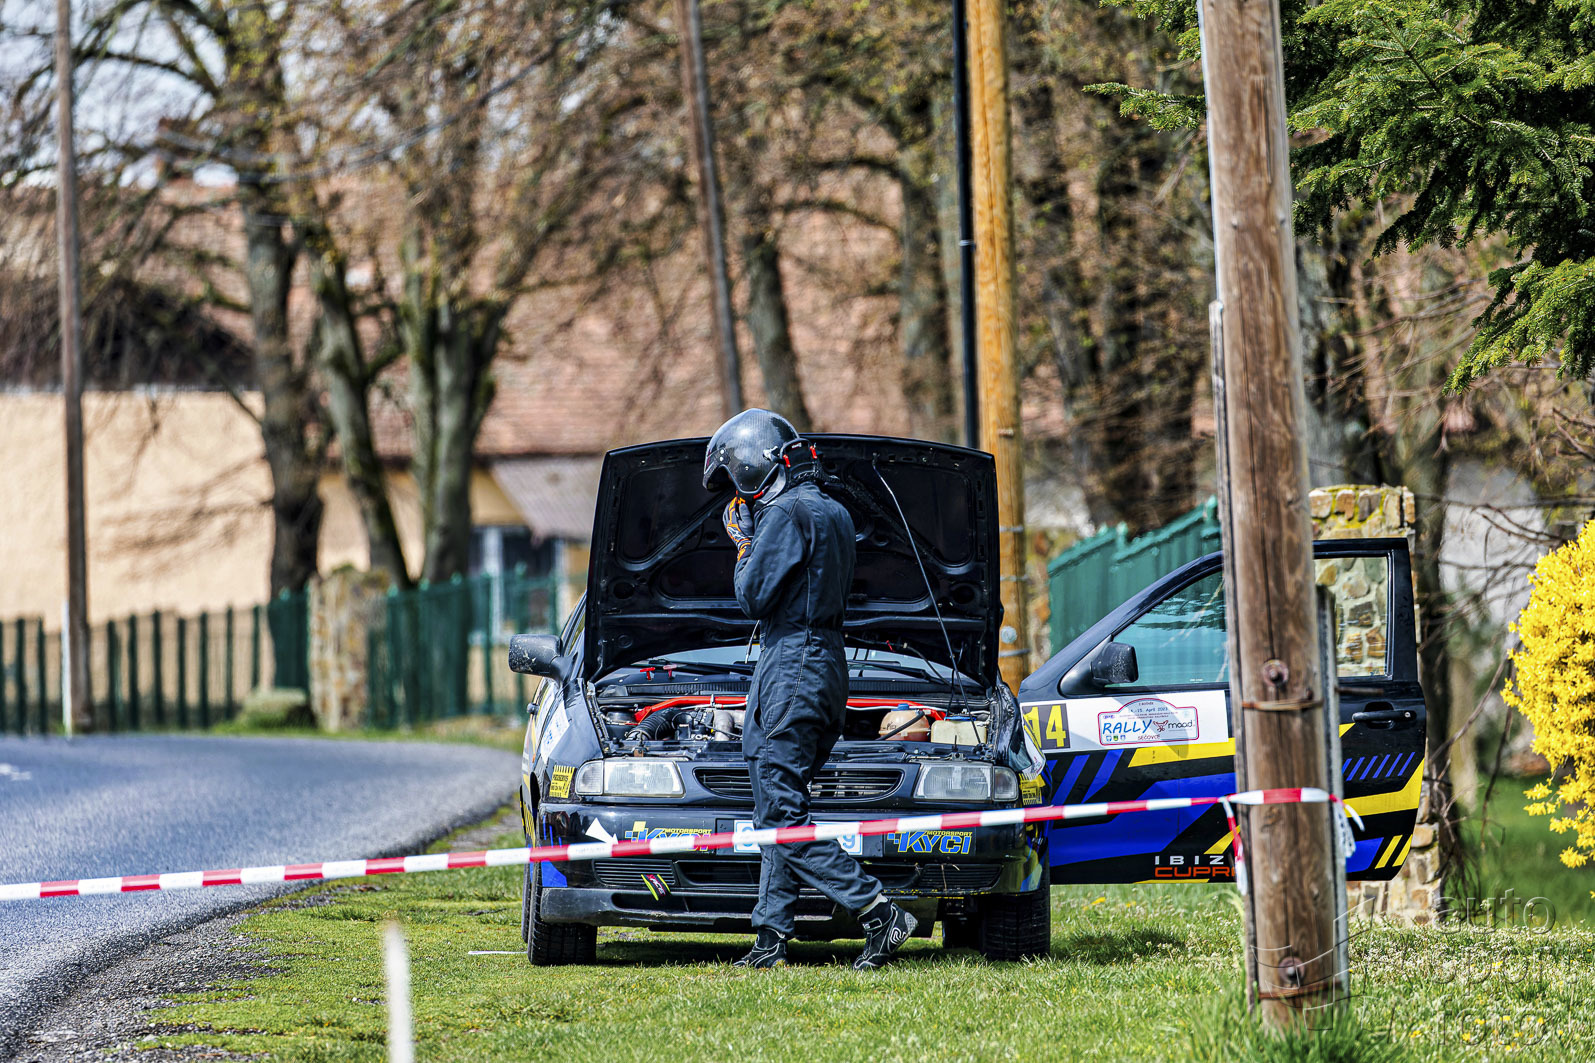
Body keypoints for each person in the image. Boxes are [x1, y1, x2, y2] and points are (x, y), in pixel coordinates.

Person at [702, 409, 917, 971]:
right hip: (823, 666)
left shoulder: (785, 512)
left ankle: (878, 911)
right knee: (780, 805)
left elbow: (753, 597)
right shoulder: (834, 511)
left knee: (779, 818)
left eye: (734, 480)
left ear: (751, 467)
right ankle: (771, 937)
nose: (736, 495)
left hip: (792, 665)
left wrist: (743, 542)